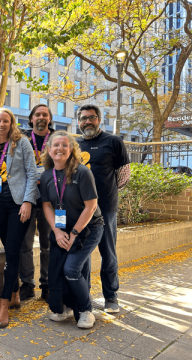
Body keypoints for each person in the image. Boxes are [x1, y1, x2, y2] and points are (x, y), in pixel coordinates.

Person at [39, 131, 104, 329]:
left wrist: (73, 234)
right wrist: (58, 232)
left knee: (71, 269)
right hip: (63, 229)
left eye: (64, 145)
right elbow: (47, 206)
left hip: (89, 229)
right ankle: (64, 308)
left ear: (72, 150)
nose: (60, 148)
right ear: (49, 150)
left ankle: (85, 310)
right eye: (55, 145)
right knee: (58, 268)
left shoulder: (82, 172)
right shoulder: (47, 175)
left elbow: (91, 207)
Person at [0, 108, 38, 328]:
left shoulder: (22, 143)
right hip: (0, 205)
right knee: (9, 248)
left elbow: (32, 173)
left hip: (18, 205)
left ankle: (4, 302)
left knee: (12, 253)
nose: (1, 124)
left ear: (11, 123)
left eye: (5, 121)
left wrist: (27, 202)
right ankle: (15, 295)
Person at [76, 105, 130, 313]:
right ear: (78, 121)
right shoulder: (76, 144)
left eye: (92, 118)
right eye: (83, 118)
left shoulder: (113, 141)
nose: (87, 122)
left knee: (108, 251)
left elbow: (123, 175)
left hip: (106, 207)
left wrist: (107, 192)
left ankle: (111, 296)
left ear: (99, 119)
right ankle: (84, 295)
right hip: (80, 210)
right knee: (83, 253)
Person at [19, 104, 54, 302]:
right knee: (25, 244)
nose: (41, 117)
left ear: (49, 119)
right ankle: (27, 284)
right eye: (37, 114)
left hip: (50, 199)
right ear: (31, 118)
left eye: (45, 115)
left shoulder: (57, 139)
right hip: (28, 199)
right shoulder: (22, 139)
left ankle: (47, 285)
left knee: (48, 245)